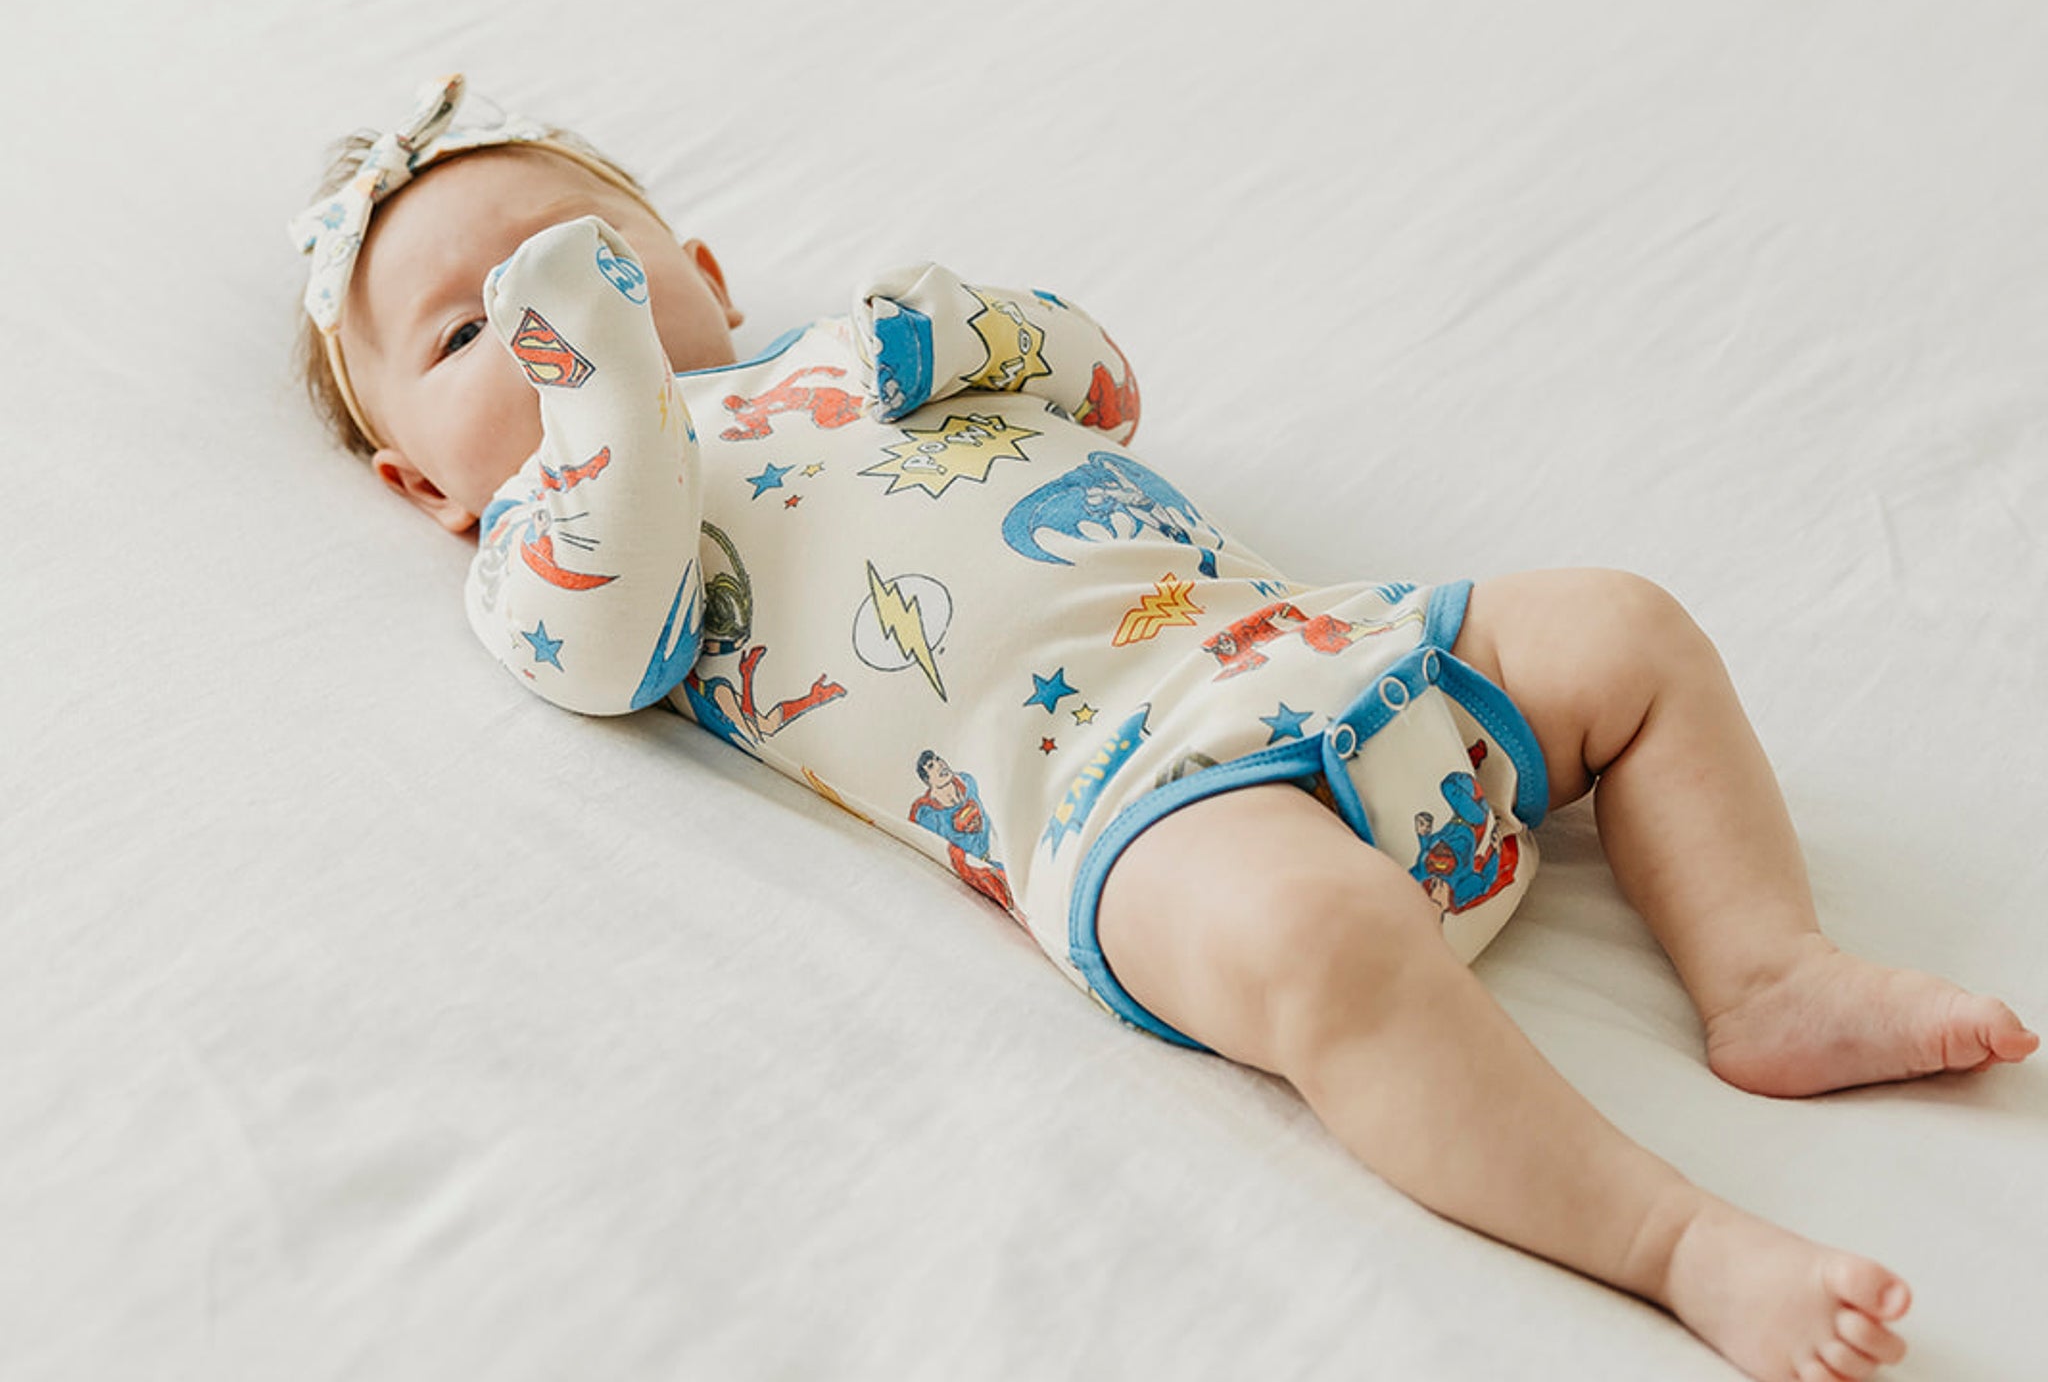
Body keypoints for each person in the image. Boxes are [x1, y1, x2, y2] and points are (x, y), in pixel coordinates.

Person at [290, 75, 2037, 1382]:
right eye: (470, 333)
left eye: (587, 267)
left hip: (1322, 644)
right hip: (1133, 804)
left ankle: (1767, 972)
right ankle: (1675, 1241)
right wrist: (598, 375)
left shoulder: (855, 355)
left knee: (1621, 626)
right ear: (416, 485)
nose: (545, 320)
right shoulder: (551, 541)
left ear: (708, 269)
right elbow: (601, 640)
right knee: (1320, 944)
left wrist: (973, 322)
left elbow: (1106, 387)